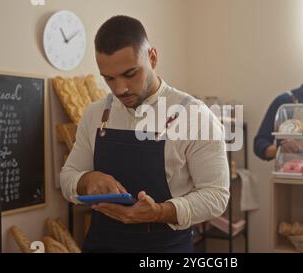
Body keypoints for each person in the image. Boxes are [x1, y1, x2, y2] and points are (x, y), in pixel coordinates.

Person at [60, 15, 229, 253]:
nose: (120, 88)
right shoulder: (95, 114)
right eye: (109, 78)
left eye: (130, 74)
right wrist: (86, 181)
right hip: (101, 245)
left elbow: (216, 196)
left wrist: (160, 212)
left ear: (152, 57)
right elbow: (67, 176)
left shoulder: (195, 115)